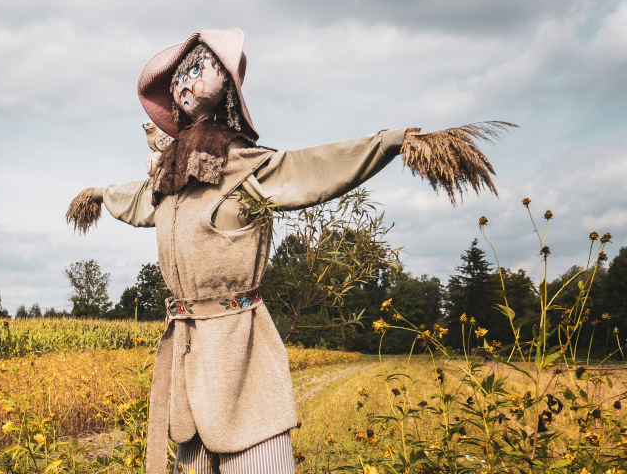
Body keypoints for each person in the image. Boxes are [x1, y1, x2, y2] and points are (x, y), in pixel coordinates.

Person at [67, 28, 497, 474]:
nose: (182, 82)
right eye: (177, 76)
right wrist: (98, 193)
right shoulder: (168, 182)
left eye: (196, 68)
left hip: (241, 354)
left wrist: (390, 141)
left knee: (258, 457)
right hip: (187, 358)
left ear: (226, 85)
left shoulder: (249, 168)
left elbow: (316, 166)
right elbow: (135, 197)